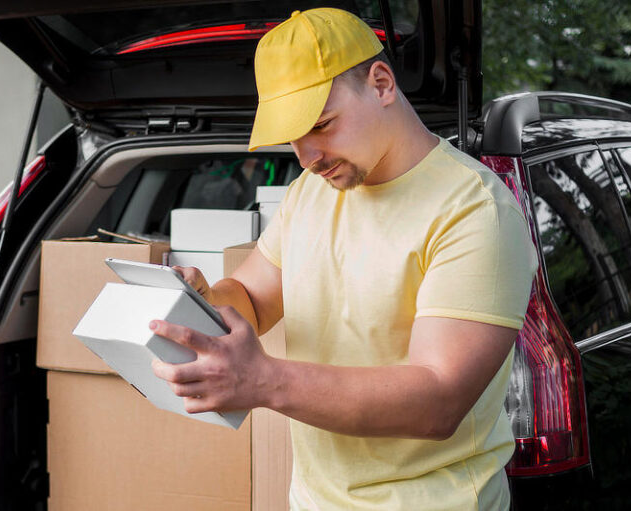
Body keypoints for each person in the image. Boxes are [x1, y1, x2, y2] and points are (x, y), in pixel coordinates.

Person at [151, 7, 538, 510]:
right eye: (293, 136)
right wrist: (200, 301)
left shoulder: (473, 211)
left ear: (381, 84)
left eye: (322, 124)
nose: (308, 155)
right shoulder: (308, 194)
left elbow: (438, 401)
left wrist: (263, 379)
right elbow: (249, 296)